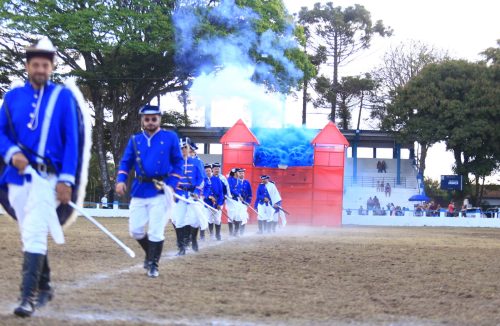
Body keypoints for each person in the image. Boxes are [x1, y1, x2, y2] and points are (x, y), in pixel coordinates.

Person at [0, 37, 91, 317]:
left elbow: (72, 142)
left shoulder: (63, 97)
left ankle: (28, 297)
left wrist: (66, 180)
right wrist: (12, 151)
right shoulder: (13, 97)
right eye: (35, 64)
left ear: (52, 67)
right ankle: (47, 284)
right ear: (27, 66)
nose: (40, 69)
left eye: (45, 65)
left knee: (36, 232)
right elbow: (1, 133)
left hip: (48, 181)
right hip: (17, 179)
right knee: (31, 234)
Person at [115, 104, 183, 278]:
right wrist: (121, 180)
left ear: (159, 119)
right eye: (147, 119)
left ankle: (153, 264)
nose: (150, 122)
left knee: (155, 230)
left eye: (154, 118)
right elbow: (126, 162)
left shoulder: (170, 137)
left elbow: (178, 163)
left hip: (161, 190)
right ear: (142, 120)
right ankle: (150, 254)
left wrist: (171, 183)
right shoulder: (135, 140)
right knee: (136, 230)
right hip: (139, 189)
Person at [172, 137, 205, 255]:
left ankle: (194, 240)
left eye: (185, 148)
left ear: (189, 148)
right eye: (181, 148)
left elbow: (201, 180)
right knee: (179, 221)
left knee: (194, 220)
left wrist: (196, 192)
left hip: (192, 195)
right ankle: (181, 248)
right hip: (180, 194)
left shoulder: (196, 162)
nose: (183, 150)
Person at [200, 164, 224, 241]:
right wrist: (209, 197)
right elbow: (201, 192)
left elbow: (221, 193)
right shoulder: (202, 180)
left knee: (217, 220)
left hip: (217, 203)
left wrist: (220, 203)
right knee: (208, 219)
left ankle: (218, 234)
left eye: (209, 171)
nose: (208, 172)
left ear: (212, 171)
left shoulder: (217, 180)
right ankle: (208, 235)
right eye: (206, 171)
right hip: (207, 204)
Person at [212, 162, 230, 238]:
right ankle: (211, 234)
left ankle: (217, 234)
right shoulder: (209, 177)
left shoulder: (222, 178)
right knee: (209, 219)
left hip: (219, 200)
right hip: (209, 201)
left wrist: (225, 196)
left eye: (218, 168)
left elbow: (227, 188)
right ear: (212, 169)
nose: (217, 170)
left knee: (217, 218)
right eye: (215, 168)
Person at [233, 168, 252, 236]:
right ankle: (236, 230)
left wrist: (248, 202)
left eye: (243, 173)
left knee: (243, 216)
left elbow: (250, 194)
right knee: (237, 216)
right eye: (240, 173)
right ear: (238, 174)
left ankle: (242, 232)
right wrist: (238, 195)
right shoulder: (235, 181)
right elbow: (233, 190)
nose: (241, 174)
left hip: (244, 202)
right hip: (236, 202)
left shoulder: (247, 182)